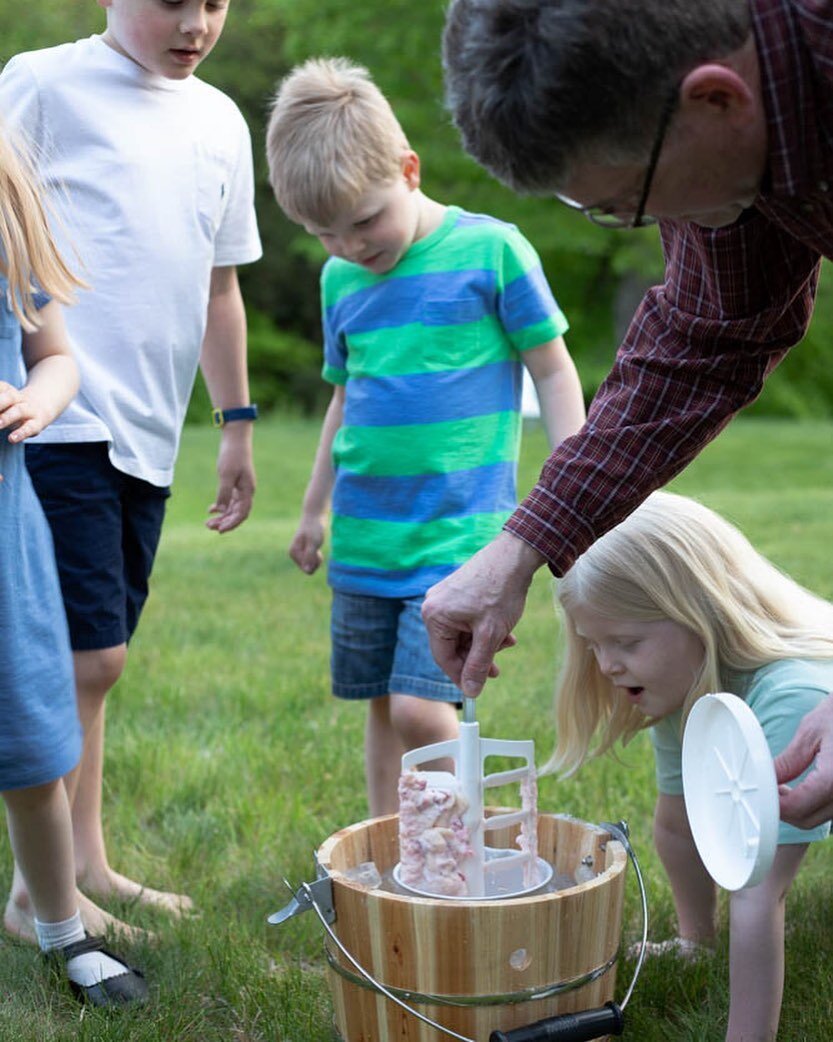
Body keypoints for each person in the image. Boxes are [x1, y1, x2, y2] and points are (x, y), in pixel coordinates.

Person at [421, 0, 833, 829]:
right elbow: (703, 336)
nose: (633, 226)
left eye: (623, 203)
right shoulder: (731, 131)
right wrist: (520, 548)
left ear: (716, 100)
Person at [0, 0, 262, 941]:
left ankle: (85, 863)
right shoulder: (41, 83)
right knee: (86, 656)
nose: (195, 22)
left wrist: (233, 422)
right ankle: (40, 899)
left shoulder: (221, 120)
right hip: (53, 412)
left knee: (98, 666)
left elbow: (219, 285)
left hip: (151, 434)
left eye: (216, 3)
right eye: (172, 2)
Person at [265, 57, 586, 815]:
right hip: (368, 538)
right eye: (323, 234)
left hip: (458, 539)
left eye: (365, 220)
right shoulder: (338, 281)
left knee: (420, 708)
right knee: (382, 704)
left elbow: (553, 372)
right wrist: (312, 510)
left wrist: (572, 494)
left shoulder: (491, 252)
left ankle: (461, 848)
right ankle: (389, 848)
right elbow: (345, 400)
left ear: (408, 170)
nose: (350, 247)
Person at [551, 490, 832, 1042]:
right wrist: (694, 939)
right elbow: (679, 823)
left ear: (697, 613)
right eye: (593, 645)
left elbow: (758, 889)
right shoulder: (678, 679)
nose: (606, 665)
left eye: (625, 641)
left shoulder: (790, 696)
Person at [0, 123, 147, 1006]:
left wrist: (36, 400)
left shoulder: (7, 240)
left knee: (31, 742)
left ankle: (60, 927)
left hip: (5, 539)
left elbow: (56, 356)